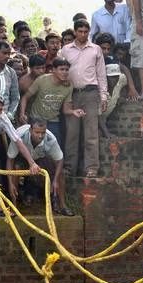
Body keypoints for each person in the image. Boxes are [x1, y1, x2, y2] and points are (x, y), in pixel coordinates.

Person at [61, 19, 108, 178]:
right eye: (80, 31)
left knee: (91, 133)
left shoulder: (96, 49)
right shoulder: (66, 50)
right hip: (71, 93)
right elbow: (60, 71)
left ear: (89, 32)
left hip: (90, 93)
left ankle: (91, 168)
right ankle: (69, 168)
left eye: (85, 32)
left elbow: (101, 74)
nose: (82, 34)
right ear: (75, 31)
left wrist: (103, 96)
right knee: (72, 133)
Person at [7, 118, 74, 216]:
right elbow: (10, 159)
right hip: (21, 159)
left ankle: (63, 206)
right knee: (16, 169)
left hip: (39, 158)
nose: (40, 136)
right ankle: (13, 206)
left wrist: (55, 180)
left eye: (43, 132)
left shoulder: (51, 139)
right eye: (37, 132)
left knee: (60, 173)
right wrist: (10, 183)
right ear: (30, 130)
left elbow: (59, 160)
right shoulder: (19, 136)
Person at [19, 57, 84, 151]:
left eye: (66, 70)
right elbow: (25, 97)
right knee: (33, 147)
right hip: (36, 119)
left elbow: (66, 110)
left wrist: (73, 112)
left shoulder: (69, 86)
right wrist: (22, 113)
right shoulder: (42, 80)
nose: (64, 72)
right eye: (61, 69)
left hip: (53, 121)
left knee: (56, 148)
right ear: (53, 70)